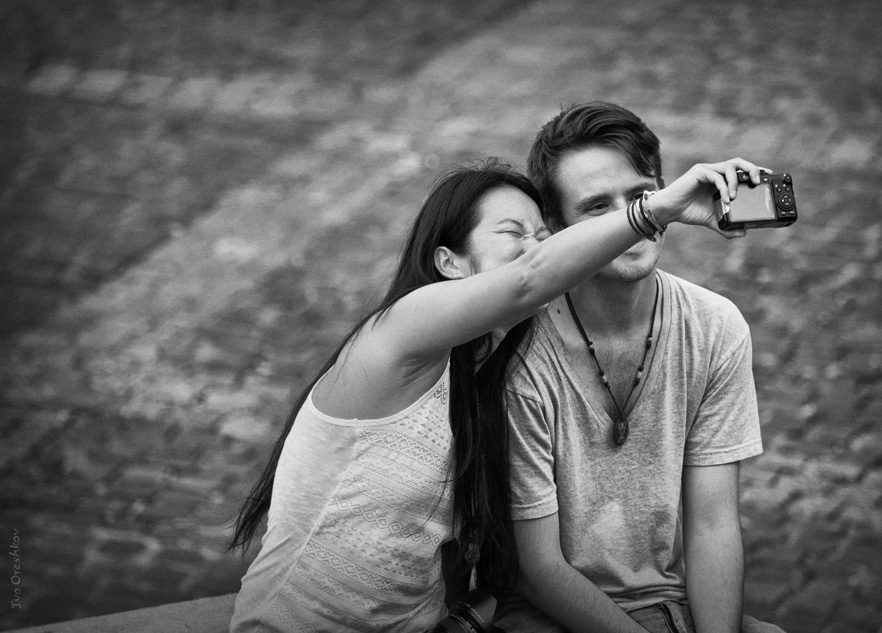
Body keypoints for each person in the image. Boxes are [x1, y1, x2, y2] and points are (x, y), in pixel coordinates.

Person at [227, 154, 758, 632]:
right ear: (449, 263)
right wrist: (656, 208)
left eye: (544, 235)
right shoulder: (399, 334)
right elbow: (530, 279)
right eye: (513, 232)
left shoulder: (489, 372)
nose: (537, 248)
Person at [495, 102, 786, 633]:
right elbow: (537, 571)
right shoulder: (523, 353)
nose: (631, 222)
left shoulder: (714, 326)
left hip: (666, 601)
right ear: (556, 227)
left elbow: (713, 524)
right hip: (543, 614)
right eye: (597, 207)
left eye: (640, 198)